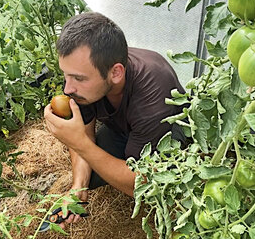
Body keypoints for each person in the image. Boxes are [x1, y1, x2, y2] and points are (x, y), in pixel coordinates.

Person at [43, 12, 186, 226]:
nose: (68, 88)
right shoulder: (91, 79)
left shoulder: (153, 94)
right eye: (66, 75)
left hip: (165, 135)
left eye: (79, 78)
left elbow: (142, 185)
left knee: (158, 189)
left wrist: (78, 143)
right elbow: (86, 128)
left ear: (116, 73)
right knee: (89, 175)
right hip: (126, 130)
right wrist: (78, 188)